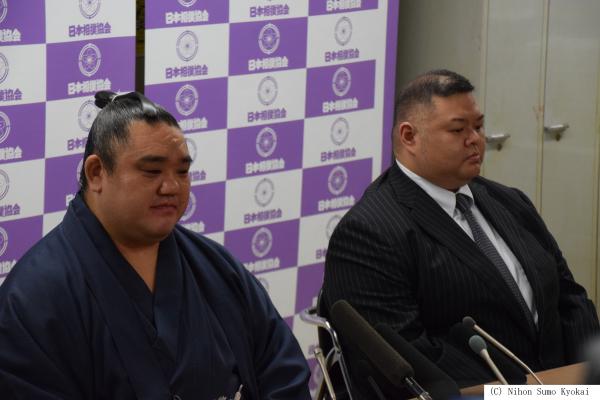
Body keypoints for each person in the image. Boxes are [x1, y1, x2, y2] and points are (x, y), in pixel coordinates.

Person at [0, 91, 311, 399]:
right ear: (96, 173)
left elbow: (282, 373)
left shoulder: (217, 269)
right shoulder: (33, 299)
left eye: (182, 171)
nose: (171, 186)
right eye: (152, 171)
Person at [322, 69, 599, 389]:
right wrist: (523, 391)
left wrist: (585, 377)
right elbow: (405, 358)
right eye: (457, 130)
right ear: (409, 136)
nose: (475, 140)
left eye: (478, 127)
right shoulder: (368, 232)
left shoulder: (510, 201)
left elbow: (568, 297)